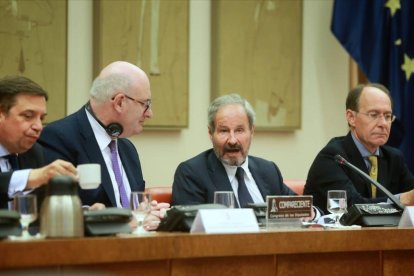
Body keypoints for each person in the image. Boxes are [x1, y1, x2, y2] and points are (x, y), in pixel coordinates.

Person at [38, 61, 169, 230]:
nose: (150, 114)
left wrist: (146, 213)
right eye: (146, 104)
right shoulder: (58, 138)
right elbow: (56, 214)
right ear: (120, 102)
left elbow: (133, 211)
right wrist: (126, 223)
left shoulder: (127, 149)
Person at [172, 93, 319, 219]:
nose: (232, 140)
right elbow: (189, 229)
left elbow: (302, 208)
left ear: (252, 131)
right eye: (224, 131)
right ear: (211, 133)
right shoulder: (192, 173)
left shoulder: (268, 170)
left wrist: (311, 213)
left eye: (240, 130)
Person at [304, 83, 414, 214]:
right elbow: (351, 207)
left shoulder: (394, 158)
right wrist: (403, 199)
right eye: (374, 115)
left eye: (388, 116)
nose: (383, 124)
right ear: (351, 118)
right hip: (333, 233)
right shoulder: (333, 157)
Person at [0, 76, 78, 209]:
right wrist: (33, 177)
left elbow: (42, 210)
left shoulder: (35, 152)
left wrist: (84, 213)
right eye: (28, 116)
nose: (39, 126)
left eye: (41, 118)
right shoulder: (37, 171)